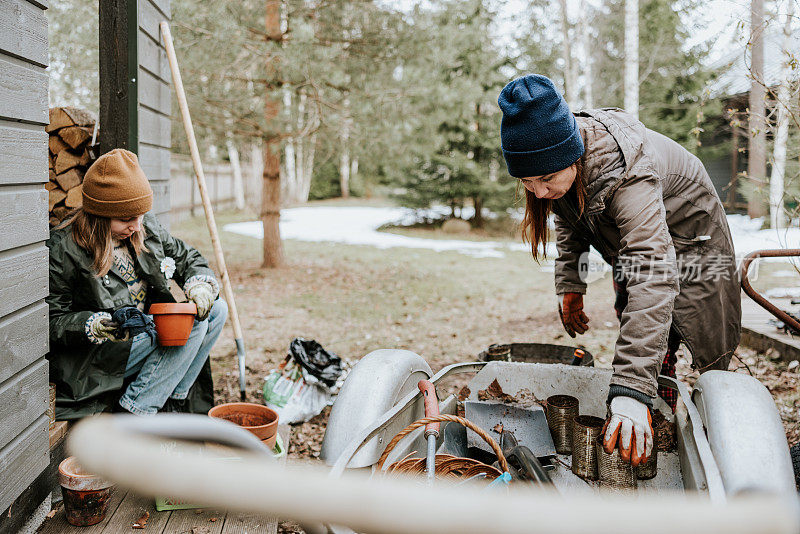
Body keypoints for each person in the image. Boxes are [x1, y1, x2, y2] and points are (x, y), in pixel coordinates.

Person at [498, 74, 741, 466]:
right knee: (637, 318)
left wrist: (628, 390)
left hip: (694, 240)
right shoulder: (562, 171)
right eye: (527, 181)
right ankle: (662, 397)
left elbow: (653, 272)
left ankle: (715, 433)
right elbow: (570, 219)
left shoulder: (627, 171)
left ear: (573, 155)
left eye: (546, 179)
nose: (539, 192)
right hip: (636, 243)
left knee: (701, 339)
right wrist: (571, 284)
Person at [47, 148, 228, 419]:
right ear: (100, 214)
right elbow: (52, 320)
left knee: (216, 310)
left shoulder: (144, 227)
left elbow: (186, 256)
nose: (136, 225)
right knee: (191, 326)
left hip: (145, 335)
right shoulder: (64, 248)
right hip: (100, 354)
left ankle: (171, 402)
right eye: (126, 219)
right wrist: (91, 324)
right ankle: (136, 411)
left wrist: (200, 284)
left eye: (140, 215)